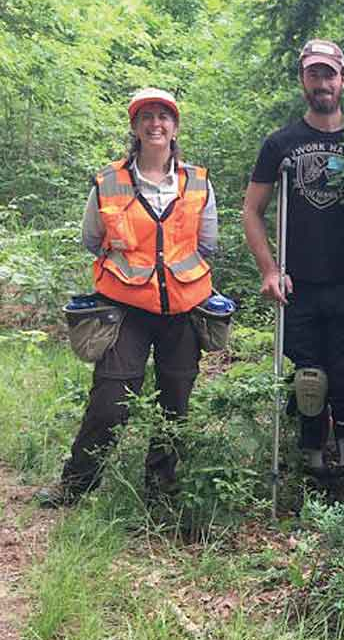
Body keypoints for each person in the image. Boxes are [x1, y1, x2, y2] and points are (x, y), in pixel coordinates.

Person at [38, 88, 219, 506]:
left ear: (175, 128)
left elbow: (207, 243)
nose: (156, 124)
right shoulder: (110, 181)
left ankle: (162, 489)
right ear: (135, 128)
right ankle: (76, 486)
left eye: (164, 116)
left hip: (183, 308)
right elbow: (91, 239)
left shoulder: (198, 182)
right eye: (146, 117)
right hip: (125, 312)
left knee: (176, 399)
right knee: (110, 400)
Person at [243, 39, 344, 478]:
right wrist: (269, 269)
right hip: (299, 285)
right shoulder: (280, 143)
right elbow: (252, 210)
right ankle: (313, 466)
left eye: (329, 74)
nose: (322, 83)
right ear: (302, 81)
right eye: (314, 74)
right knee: (309, 380)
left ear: (343, 80)